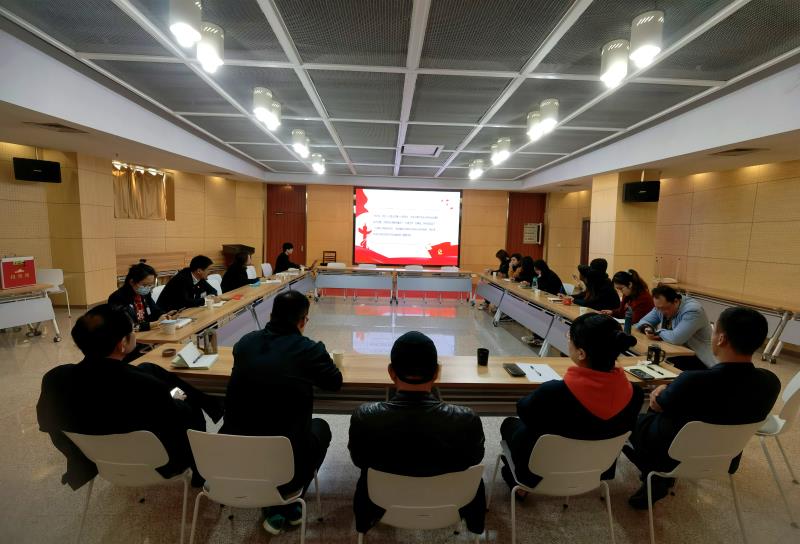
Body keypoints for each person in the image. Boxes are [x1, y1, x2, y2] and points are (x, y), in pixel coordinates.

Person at [36, 304, 221, 490]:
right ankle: (200, 471)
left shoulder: (54, 379)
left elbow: (49, 426)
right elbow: (178, 422)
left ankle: (211, 404)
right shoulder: (145, 387)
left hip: (98, 458)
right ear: (122, 344)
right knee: (191, 408)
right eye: (132, 331)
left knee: (148, 368)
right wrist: (180, 400)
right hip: (158, 463)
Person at [624, 307, 781, 509]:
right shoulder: (770, 383)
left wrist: (661, 390)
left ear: (721, 339)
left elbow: (657, 404)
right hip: (725, 458)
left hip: (670, 456)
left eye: (714, 331)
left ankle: (655, 474)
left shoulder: (692, 380)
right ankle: (657, 477)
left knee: (629, 419)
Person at [221, 290, 342, 535]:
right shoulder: (309, 350)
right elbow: (334, 382)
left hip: (239, 454)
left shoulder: (244, 343)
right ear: (303, 321)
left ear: (271, 316)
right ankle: (287, 499)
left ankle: (274, 503)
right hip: (288, 457)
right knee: (321, 428)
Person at [348, 331, 486, 535]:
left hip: (381, 506)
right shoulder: (467, 420)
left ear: (391, 372)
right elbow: (475, 458)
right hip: (451, 505)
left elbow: (359, 460)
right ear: (437, 372)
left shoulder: (364, 417)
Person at [499, 314, 643, 494]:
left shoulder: (553, 392)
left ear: (581, 353)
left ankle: (520, 484)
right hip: (597, 471)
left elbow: (524, 411)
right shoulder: (635, 394)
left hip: (543, 470)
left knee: (509, 425)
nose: (568, 341)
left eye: (569, 338)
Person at [635, 285, 715, 370]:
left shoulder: (693, 311)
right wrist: (647, 328)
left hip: (701, 361)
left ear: (676, 301)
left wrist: (657, 332)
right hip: (680, 354)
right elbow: (642, 322)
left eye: (664, 308)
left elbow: (676, 338)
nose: (661, 312)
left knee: (660, 366)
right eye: (657, 308)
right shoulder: (661, 306)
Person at [108, 262, 168, 331]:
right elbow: (126, 325)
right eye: (144, 285)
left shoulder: (145, 294)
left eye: (150, 285)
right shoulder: (117, 298)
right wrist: (154, 324)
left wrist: (164, 315)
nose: (147, 288)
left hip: (147, 332)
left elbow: (155, 310)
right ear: (132, 282)